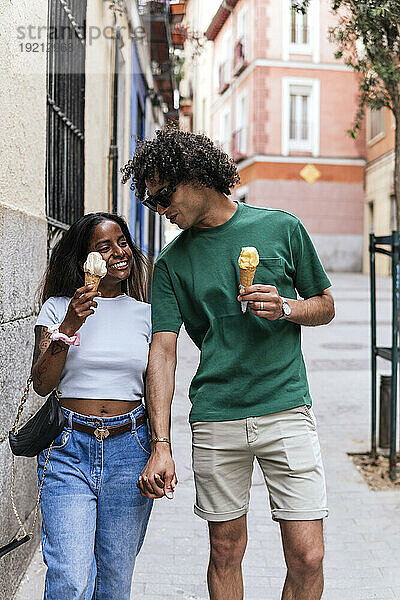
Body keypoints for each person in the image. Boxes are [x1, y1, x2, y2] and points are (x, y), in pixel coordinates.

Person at [122, 129, 335, 600]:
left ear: (196, 176)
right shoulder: (171, 263)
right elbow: (162, 349)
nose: (160, 208)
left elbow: (324, 305)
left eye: (164, 193)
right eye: (151, 200)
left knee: (308, 556)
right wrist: (161, 443)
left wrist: (286, 307)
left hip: (286, 408)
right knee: (224, 549)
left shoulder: (281, 227)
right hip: (217, 416)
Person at [31, 212, 153, 600]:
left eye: (123, 242)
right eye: (104, 247)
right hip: (67, 448)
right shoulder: (57, 307)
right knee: (69, 576)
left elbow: (156, 385)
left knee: (115, 582)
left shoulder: (145, 313)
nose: (119, 252)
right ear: (84, 259)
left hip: (129, 447)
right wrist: (67, 327)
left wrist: (162, 449)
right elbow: (42, 383)